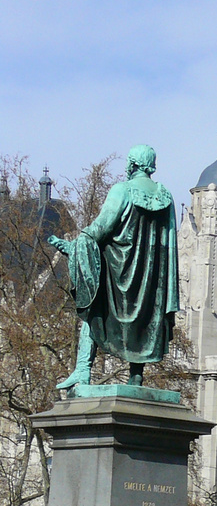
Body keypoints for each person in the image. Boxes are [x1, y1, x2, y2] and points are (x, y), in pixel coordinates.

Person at [47, 145, 179, 389]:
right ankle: (136, 376)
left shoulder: (122, 190)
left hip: (117, 274)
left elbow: (98, 230)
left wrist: (74, 247)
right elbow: (169, 245)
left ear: (131, 164)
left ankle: (83, 370)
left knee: (92, 310)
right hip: (151, 281)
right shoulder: (166, 197)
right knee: (145, 322)